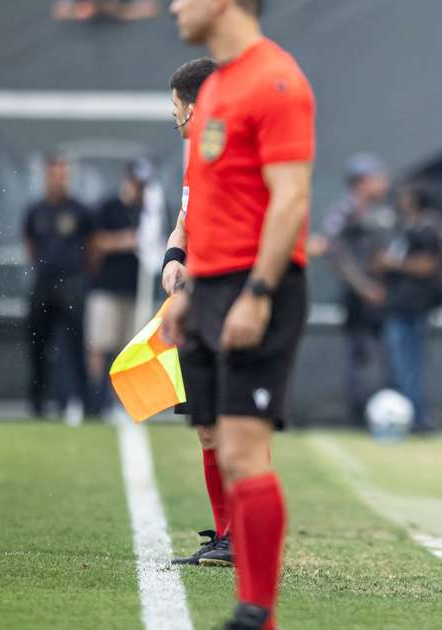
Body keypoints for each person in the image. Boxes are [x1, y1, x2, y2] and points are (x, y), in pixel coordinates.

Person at [165, 1, 315, 628]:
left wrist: (257, 292)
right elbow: (207, 209)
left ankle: (258, 615)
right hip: (208, 288)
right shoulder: (216, 90)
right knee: (222, 447)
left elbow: (291, 198)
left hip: (256, 286)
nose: (175, 5)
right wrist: (188, 290)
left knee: (246, 451)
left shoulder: (275, 80)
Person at [161, 56, 235, 568]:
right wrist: (173, 257)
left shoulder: (230, 152)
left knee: (235, 423)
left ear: (194, 103)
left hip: (226, 298)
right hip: (198, 298)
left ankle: (244, 536)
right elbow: (186, 221)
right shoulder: (198, 155)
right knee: (207, 423)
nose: (174, 115)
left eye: (176, 104)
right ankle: (227, 534)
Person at [320, 153, 392, 424]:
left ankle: (386, 407)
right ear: (362, 182)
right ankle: (358, 412)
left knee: (389, 355)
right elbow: (333, 250)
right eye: (377, 178)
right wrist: (362, 286)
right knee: (359, 355)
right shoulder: (346, 211)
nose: (384, 184)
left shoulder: (382, 212)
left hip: (385, 294)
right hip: (359, 297)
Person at [23, 153, 94, 422]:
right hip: (44, 283)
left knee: (76, 346)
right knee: (38, 344)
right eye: (55, 175)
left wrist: (82, 275)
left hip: (71, 284)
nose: (59, 181)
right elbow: (30, 245)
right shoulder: (36, 211)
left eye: (63, 175)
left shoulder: (80, 210)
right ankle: (38, 404)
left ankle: (86, 403)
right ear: (46, 177)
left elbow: (93, 246)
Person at [372, 181, 442, 432]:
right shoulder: (402, 228)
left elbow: (427, 265)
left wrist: (393, 263)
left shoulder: (427, 229)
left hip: (414, 307)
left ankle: (416, 416)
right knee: (398, 363)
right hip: (397, 305)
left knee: (409, 365)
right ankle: (406, 413)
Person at [87, 159, 148, 414]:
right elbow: (96, 242)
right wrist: (127, 241)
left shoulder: (148, 210)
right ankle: (95, 399)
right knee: (101, 344)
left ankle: (122, 400)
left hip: (135, 291)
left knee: (129, 348)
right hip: (107, 288)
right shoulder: (109, 206)